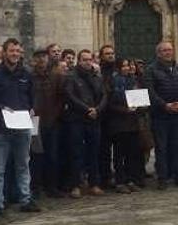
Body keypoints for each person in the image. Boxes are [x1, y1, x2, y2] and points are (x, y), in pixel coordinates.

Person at [0, 38, 40, 218]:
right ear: (5, 52)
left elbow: (33, 97)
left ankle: (25, 199)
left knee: (23, 165)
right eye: (12, 51)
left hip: (23, 127)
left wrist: (32, 109)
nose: (15, 54)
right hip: (2, 129)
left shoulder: (26, 74)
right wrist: (1, 108)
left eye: (18, 51)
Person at [144, 41, 178, 189]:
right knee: (161, 147)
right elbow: (150, 91)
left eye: (170, 50)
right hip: (160, 115)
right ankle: (163, 178)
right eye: (164, 50)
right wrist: (164, 105)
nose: (168, 53)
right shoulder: (151, 70)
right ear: (158, 53)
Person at [63, 47, 108, 197]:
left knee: (94, 152)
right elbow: (70, 96)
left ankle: (94, 183)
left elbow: (103, 96)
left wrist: (97, 109)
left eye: (90, 59)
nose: (88, 62)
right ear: (79, 61)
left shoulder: (97, 76)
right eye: (84, 60)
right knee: (76, 152)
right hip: (77, 119)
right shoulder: (71, 76)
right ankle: (75, 184)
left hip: (94, 119)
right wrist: (87, 109)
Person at [107, 58, 147, 192]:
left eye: (128, 65)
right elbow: (110, 103)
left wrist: (140, 106)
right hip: (119, 123)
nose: (127, 68)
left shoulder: (133, 81)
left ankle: (131, 179)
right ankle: (120, 181)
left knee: (132, 153)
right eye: (123, 66)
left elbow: (141, 100)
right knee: (119, 154)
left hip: (133, 122)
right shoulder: (113, 81)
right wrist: (125, 110)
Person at [31, 54, 67, 198]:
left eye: (43, 58)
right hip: (34, 121)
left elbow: (61, 97)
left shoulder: (55, 77)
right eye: (38, 58)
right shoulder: (30, 77)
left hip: (52, 121)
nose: (41, 61)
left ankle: (52, 186)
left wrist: (55, 114)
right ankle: (36, 187)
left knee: (52, 155)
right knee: (36, 155)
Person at [96, 44, 117, 189]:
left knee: (119, 148)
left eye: (112, 53)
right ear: (101, 56)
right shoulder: (98, 72)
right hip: (103, 115)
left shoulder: (117, 71)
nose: (110, 56)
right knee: (103, 148)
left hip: (118, 114)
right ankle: (104, 176)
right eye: (107, 53)